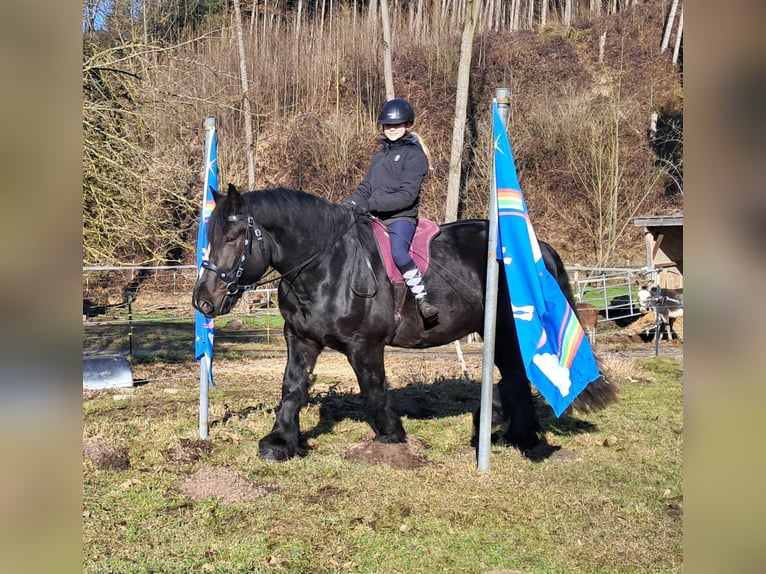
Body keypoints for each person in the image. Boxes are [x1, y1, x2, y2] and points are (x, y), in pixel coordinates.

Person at [342, 98, 438, 321]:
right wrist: (350, 203)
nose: (391, 129)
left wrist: (370, 204)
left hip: (400, 217)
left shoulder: (415, 156)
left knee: (398, 252)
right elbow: (366, 187)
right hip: (373, 217)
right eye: (388, 126)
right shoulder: (379, 156)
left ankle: (421, 297)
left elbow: (407, 196)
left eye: (396, 125)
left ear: (408, 126)